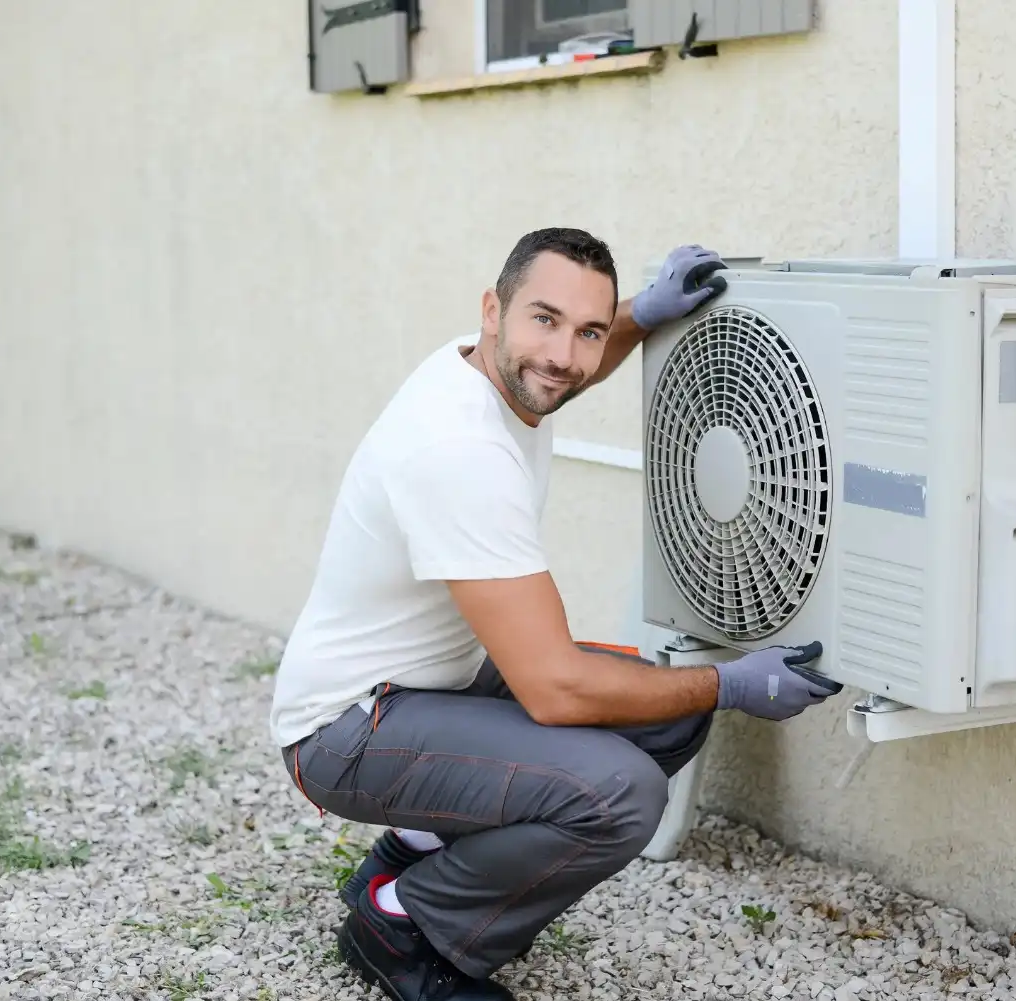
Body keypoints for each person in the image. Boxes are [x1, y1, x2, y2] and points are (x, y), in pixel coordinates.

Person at [270, 228, 840, 1000]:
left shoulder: (484, 364)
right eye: (545, 320)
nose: (566, 354)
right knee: (620, 790)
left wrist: (644, 311)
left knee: (665, 720)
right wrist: (730, 682)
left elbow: (561, 367)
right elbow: (556, 690)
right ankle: (404, 922)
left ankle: (411, 848)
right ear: (492, 311)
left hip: (432, 683)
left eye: (589, 331)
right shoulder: (457, 451)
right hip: (346, 729)